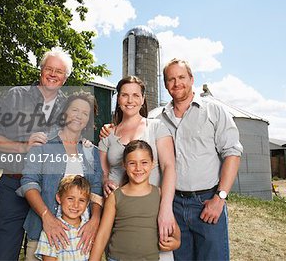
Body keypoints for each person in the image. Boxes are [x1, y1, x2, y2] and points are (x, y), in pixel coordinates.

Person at [0, 48, 72, 260]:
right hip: (14, 186)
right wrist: (23, 146)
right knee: (4, 254)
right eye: (48, 69)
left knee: (42, 255)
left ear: (65, 78)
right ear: (40, 70)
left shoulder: (67, 106)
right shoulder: (16, 96)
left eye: (58, 71)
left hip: (49, 191)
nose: (53, 74)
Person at [157, 58, 243, 260]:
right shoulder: (159, 119)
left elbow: (232, 153)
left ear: (192, 79)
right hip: (173, 205)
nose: (177, 83)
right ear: (165, 84)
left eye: (181, 77)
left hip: (206, 203)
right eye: (171, 79)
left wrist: (219, 198)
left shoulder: (214, 111)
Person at [17, 92, 103, 261]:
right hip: (44, 234)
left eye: (85, 113)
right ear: (65, 113)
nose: (79, 116)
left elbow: (97, 189)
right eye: (75, 110)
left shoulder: (91, 151)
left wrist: (95, 220)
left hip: (81, 238)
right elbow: (29, 182)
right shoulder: (43, 144)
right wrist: (46, 217)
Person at [98, 76, 177, 251]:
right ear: (118, 99)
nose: (130, 100)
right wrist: (105, 181)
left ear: (142, 99)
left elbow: (169, 167)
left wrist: (166, 208)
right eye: (125, 95)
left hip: (151, 208)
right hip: (117, 210)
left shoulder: (156, 127)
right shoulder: (108, 134)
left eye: (135, 95)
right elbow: (102, 171)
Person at [90, 140, 180, 261]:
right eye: (132, 163)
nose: (138, 168)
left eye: (144, 162)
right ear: (124, 165)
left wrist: (176, 242)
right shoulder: (115, 196)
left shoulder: (159, 194)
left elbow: (174, 230)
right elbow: (103, 234)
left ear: (152, 164)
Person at [35, 175, 92, 261]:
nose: (75, 205)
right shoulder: (51, 231)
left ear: (87, 203)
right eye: (70, 198)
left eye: (81, 200)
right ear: (59, 198)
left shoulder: (89, 230)